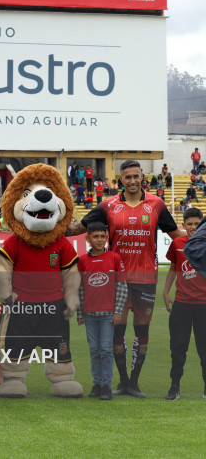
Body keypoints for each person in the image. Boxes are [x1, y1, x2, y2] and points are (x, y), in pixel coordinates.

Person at [68, 160, 184, 397]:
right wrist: (50, 226)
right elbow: (77, 229)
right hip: (116, 280)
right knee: (116, 333)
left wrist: (198, 231)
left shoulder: (157, 204)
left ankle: (134, 382)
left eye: (136, 176)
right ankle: (121, 381)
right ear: (120, 179)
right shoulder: (107, 205)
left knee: (142, 333)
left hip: (146, 279)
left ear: (142, 177)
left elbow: (176, 233)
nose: (132, 181)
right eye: (127, 177)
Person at [76, 222, 127, 401]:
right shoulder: (82, 260)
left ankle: (106, 385)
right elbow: (80, 289)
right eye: (95, 236)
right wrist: (80, 313)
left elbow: (121, 287)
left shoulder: (114, 258)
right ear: (87, 238)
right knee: (94, 349)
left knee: (105, 349)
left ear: (107, 238)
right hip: (90, 314)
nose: (99, 240)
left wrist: (118, 311)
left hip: (108, 314)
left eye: (102, 237)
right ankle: (96, 383)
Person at [163, 208, 206, 400]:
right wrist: (165, 291)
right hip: (182, 303)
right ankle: (174, 387)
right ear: (183, 225)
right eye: (189, 224)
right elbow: (173, 267)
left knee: (204, 348)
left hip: (204, 304)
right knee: (178, 347)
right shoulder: (177, 243)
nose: (193, 227)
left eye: (197, 224)